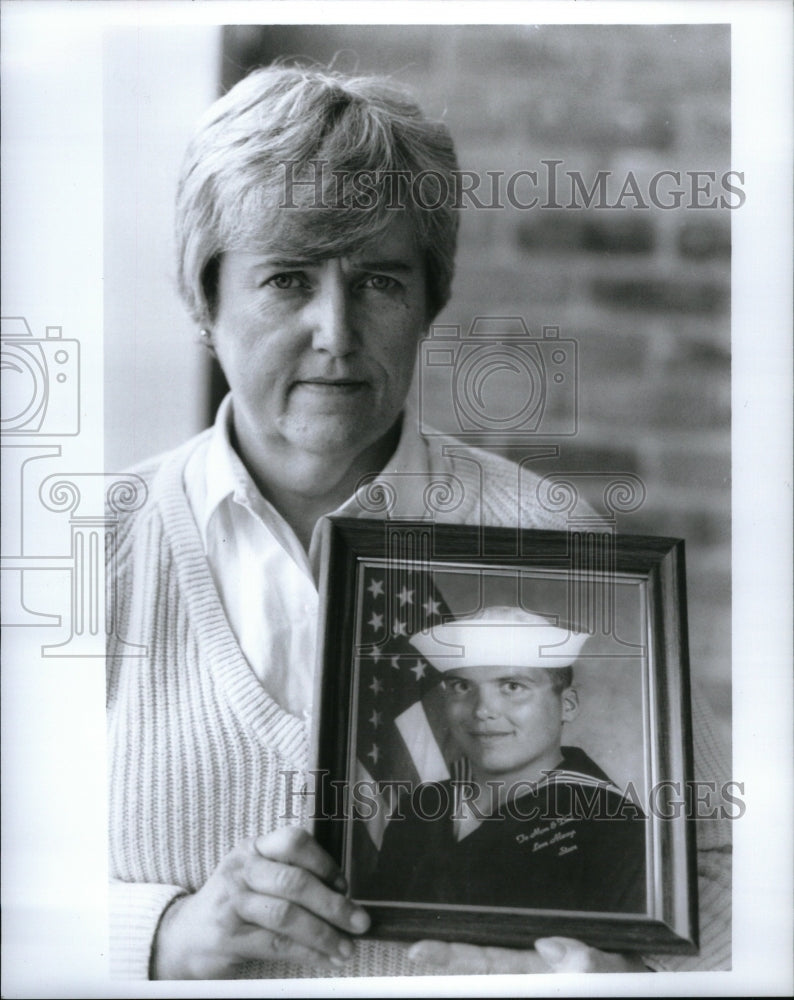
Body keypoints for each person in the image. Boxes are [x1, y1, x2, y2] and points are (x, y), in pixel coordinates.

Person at [107, 64, 731, 979]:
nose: (336, 330)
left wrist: (631, 982)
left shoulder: (552, 538)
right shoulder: (92, 549)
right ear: (206, 300)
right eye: (286, 279)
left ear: (429, 300)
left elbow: (723, 875)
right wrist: (156, 936)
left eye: (379, 282)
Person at [362, 607, 646, 914]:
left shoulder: (614, 828)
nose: (482, 710)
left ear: (567, 704)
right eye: (462, 686)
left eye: (512, 687)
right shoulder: (421, 808)